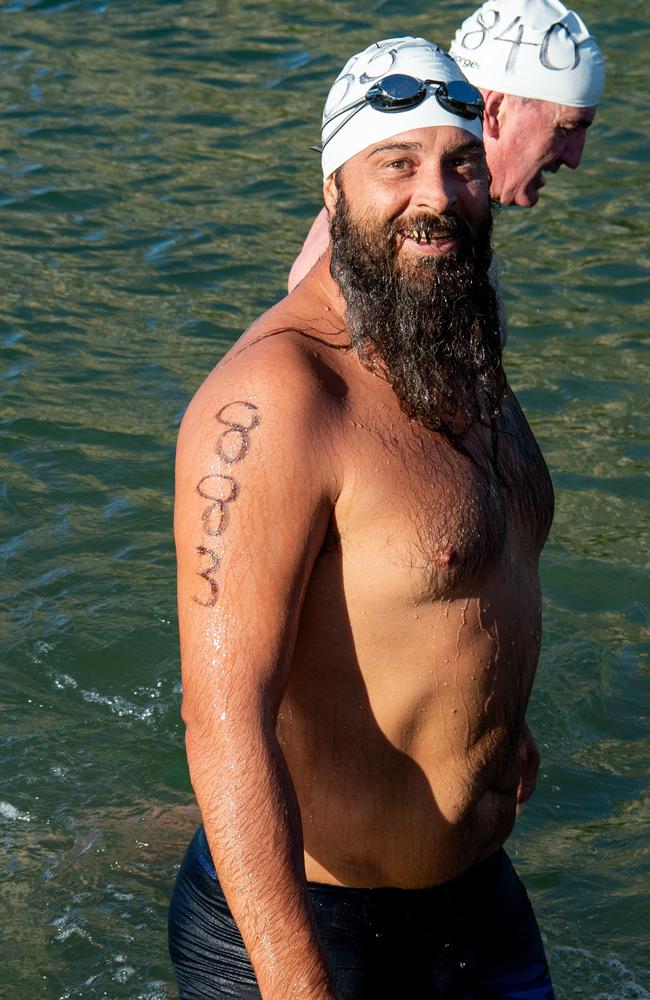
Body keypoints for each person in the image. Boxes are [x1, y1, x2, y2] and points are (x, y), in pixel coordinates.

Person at [169, 36, 556, 1000]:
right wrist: (297, 986)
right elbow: (222, 724)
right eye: (398, 163)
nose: (437, 193)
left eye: (461, 163)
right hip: (310, 926)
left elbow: (455, 568)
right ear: (334, 192)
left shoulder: (453, 337)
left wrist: (492, 717)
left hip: (478, 905)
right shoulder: (276, 399)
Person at [287, 0, 605, 293]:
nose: (575, 156)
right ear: (494, 110)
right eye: (565, 128)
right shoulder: (370, 255)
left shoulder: (450, 233)